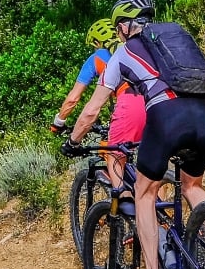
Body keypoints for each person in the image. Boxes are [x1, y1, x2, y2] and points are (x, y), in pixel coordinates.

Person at [67, 0, 205, 269]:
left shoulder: (123, 53)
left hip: (168, 117)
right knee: (192, 186)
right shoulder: (174, 42)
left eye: (117, 28)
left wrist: (73, 141)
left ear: (126, 27)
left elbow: (91, 110)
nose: (117, 34)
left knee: (144, 192)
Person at [51, 16, 144, 190]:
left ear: (96, 41)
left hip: (130, 106)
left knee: (114, 156)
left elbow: (73, 98)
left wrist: (58, 122)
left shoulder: (98, 56)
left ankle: (123, 204)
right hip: (155, 101)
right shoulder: (133, 49)